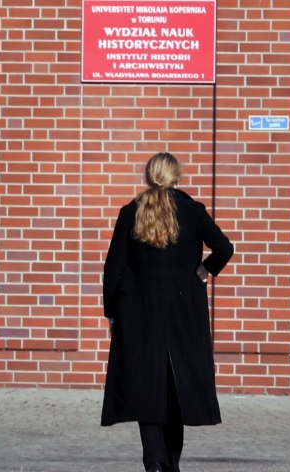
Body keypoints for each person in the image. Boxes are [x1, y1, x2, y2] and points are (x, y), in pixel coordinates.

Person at [101, 152, 234, 472]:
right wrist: (203, 270)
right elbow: (225, 248)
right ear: (178, 176)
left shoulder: (130, 211)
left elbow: (113, 268)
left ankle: (155, 464)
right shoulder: (193, 210)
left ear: (149, 176)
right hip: (183, 310)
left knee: (145, 386)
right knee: (178, 388)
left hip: (138, 311)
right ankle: (171, 465)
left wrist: (111, 312)